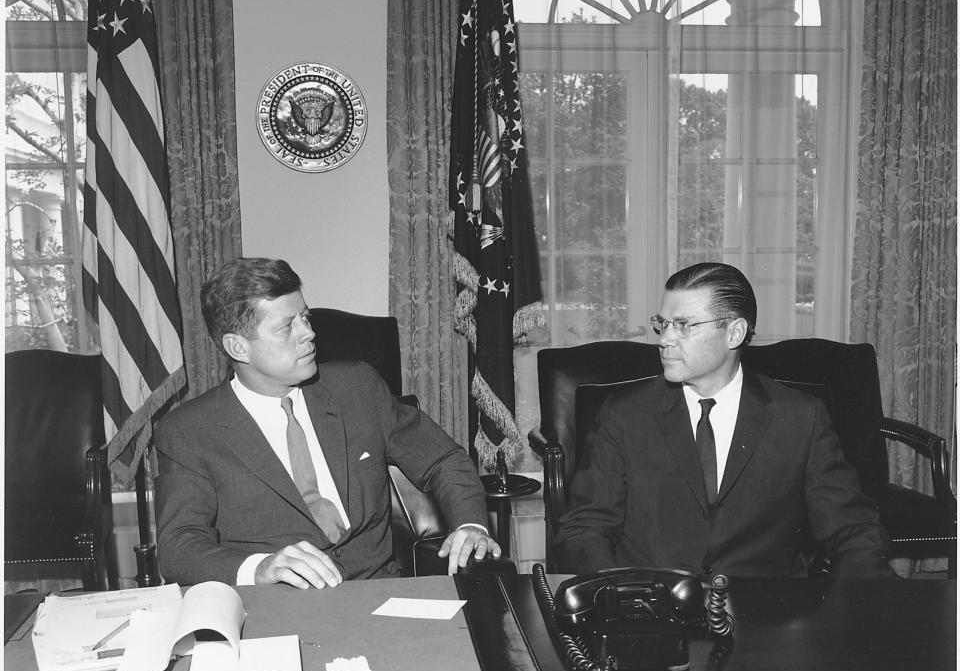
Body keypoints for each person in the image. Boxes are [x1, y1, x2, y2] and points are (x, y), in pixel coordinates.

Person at [156, 257, 499, 588]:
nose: (308, 333)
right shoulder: (189, 431)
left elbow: (442, 459)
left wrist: (470, 526)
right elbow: (178, 545)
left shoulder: (358, 387)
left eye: (304, 316)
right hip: (276, 610)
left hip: (378, 596)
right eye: (285, 326)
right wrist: (259, 568)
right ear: (238, 347)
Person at [553, 262, 893, 578]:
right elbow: (584, 529)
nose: (665, 339)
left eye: (683, 325)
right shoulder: (625, 415)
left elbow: (852, 531)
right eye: (663, 324)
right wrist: (615, 594)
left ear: (734, 333)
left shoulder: (800, 417)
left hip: (765, 617)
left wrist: (863, 613)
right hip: (652, 612)